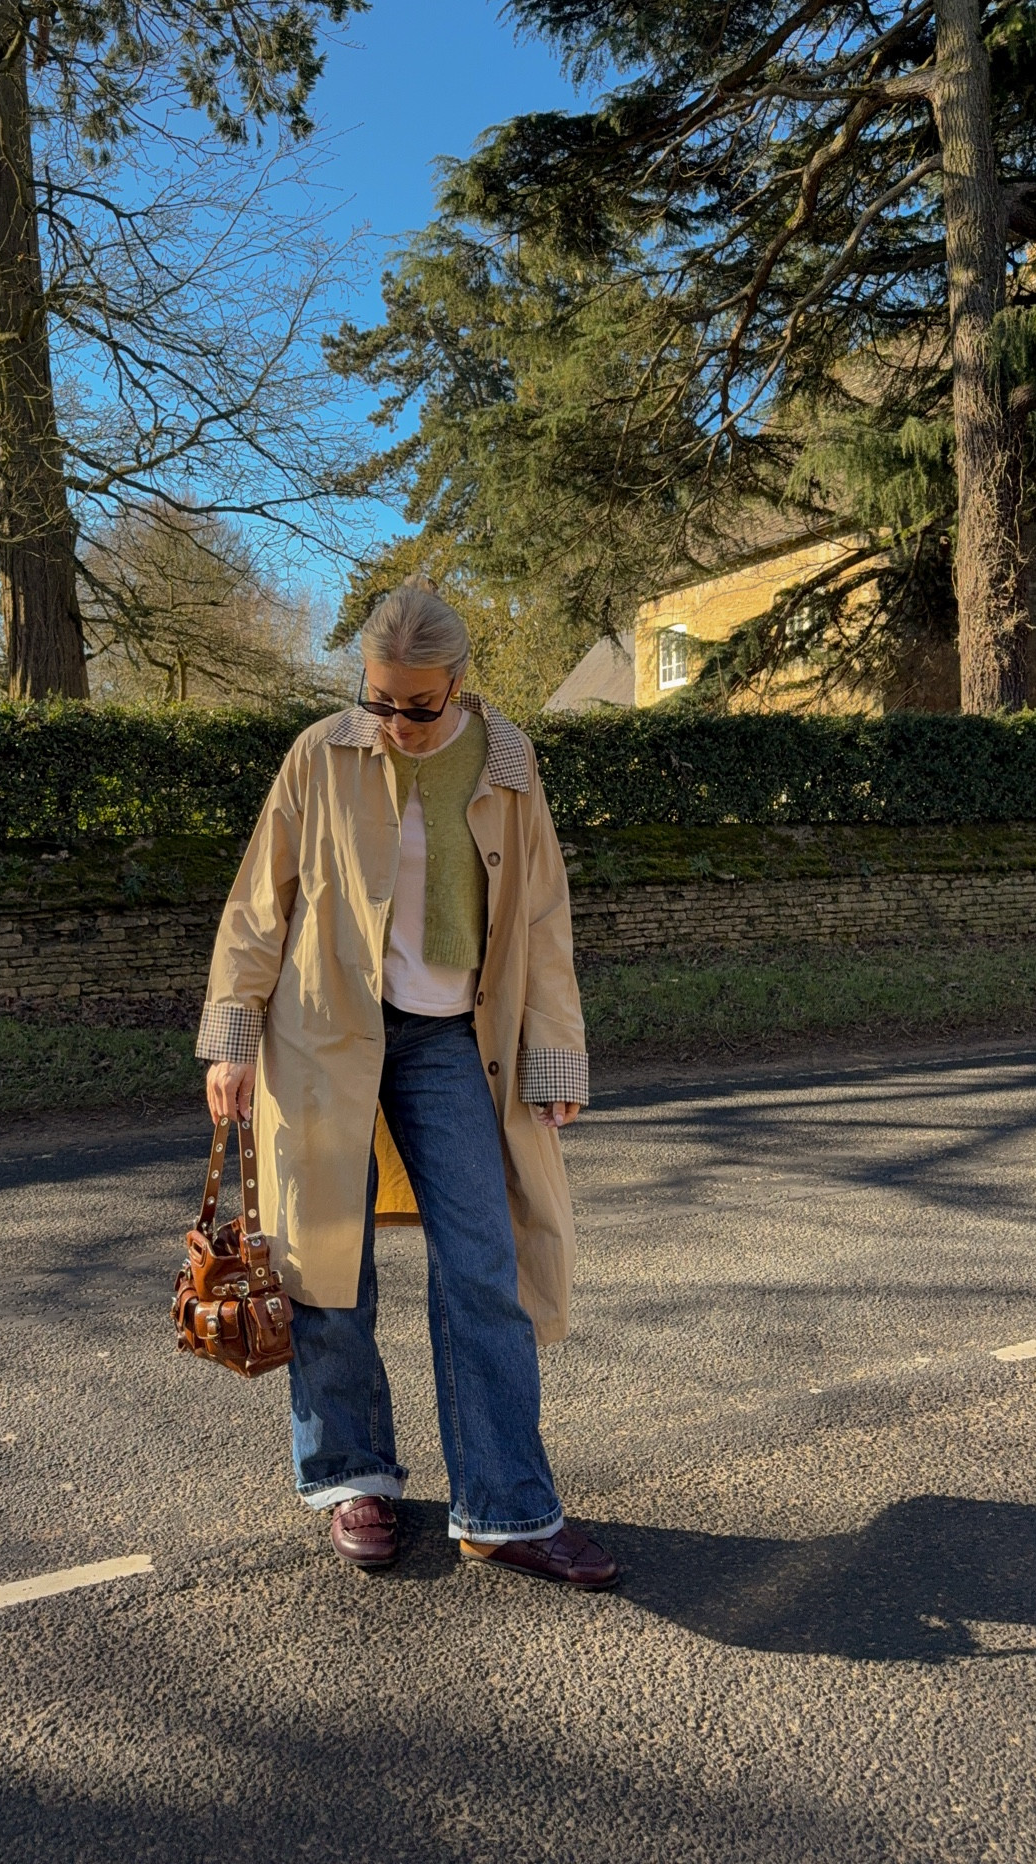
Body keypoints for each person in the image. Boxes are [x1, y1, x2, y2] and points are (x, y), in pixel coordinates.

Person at [197, 578, 616, 1589]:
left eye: (417, 705)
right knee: (324, 1265)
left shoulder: (508, 761)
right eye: (377, 697)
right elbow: (259, 903)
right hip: (322, 1034)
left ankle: (505, 1508)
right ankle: (353, 1477)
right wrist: (231, 1037)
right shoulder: (320, 754)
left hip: (454, 1039)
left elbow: (543, 915)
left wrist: (556, 1052)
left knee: (485, 1265)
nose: (394, 721)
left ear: (459, 684)